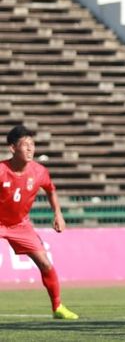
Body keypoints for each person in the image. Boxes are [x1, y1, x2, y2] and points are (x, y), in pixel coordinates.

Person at [0, 125, 78, 319]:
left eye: (32, 145)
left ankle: (58, 307)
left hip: (20, 225)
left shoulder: (39, 171)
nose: (30, 149)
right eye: (25, 145)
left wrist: (58, 214)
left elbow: (50, 190)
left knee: (45, 263)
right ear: (12, 148)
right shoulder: (1, 170)